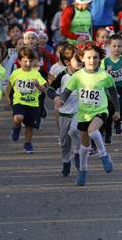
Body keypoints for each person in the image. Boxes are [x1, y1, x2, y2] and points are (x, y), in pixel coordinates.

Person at [54, 42, 120, 186]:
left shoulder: (105, 76)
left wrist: (117, 110)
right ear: (82, 58)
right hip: (83, 113)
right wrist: (61, 100)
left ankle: (104, 155)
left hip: (100, 111)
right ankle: (82, 171)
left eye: (95, 57)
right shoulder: (77, 76)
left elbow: (114, 94)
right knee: (84, 147)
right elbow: (66, 93)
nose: (92, 61)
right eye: (89, 58)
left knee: (92, 130)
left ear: (100, 58)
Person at [47, 45, 82, 176]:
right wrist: (56, 97)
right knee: (64, 142)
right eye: (77, 60)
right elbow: (50, 90)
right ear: (67, 62)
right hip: (64, 113)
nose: (81, 62)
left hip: (79, 112)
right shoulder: (62, 76)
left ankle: (78, 155)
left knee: (74, 131)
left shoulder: (85, 74)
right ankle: (66, 161)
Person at [6, 47, 47, 154]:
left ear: (34, 61)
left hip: (33, 104)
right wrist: (7, 97)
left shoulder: (36, 74)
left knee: (29, 126)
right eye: (25, 61)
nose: (28, 63)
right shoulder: (16, 73)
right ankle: (16, 127)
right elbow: (9, 85)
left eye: (30, 61)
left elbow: (43, 89)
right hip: (19, 101)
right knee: (18, 117)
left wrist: (38, 85)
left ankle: (28, 144)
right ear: (19, 61)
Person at [101, 34, 122, 139]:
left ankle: (118, 122)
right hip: (109, 89)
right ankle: (108, 132)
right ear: (109, 46)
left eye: (119, 46)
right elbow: (101, 76)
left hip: (121, 87)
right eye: (114, 46)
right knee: (109, 111)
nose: (117, 48)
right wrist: (107, 71)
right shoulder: (105, 61)